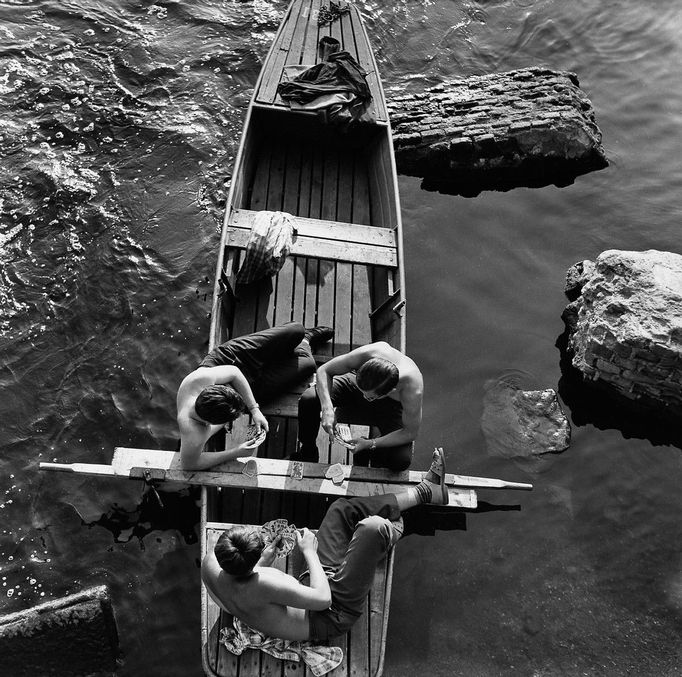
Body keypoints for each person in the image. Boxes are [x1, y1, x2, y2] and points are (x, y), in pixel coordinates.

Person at [201, 448, 450, 642]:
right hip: (332, 613)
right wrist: (309, 552)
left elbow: (233, 599)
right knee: (373, 528)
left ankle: (427, 492)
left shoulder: (210, 564)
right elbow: (322, 599)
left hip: (310, 587)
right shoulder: (263, 583)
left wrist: (265, 559)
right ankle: (394, 529)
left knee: (341, 509)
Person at [177, 322, 333, 470]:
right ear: (210, 422)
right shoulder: (193, 434)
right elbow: (190, 464)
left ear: (212, 388)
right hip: (251, 387)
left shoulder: (199, 379)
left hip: (232, 359)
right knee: (308, 364)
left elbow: (234, 373)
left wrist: (254, 409)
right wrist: (236, 452)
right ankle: (305, 342)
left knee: (296, 329)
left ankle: (300, 338)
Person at [296, 341, 423, 471]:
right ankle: (308, 449)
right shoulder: (372, 352)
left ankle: (372, 453)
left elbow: (410, 433)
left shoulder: (412, 389)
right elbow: (324, 370)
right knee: (309, 398)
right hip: (355, 388)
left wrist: (370, 444)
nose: (365, 399)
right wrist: (327, 407)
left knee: (400, 461)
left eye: (370, 397)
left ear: (391, 391)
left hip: (391, 409)